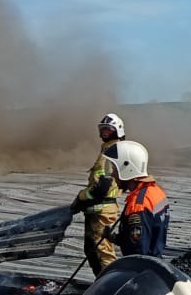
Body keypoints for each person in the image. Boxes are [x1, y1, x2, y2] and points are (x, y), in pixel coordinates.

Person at [71, 113, 125, 277]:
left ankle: (110, 285)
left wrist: (81, 198)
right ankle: (102, 282)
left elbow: (102, 186)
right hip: (97, 209)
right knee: (92, 250)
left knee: (103, 252)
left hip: (102, 211)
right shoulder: (109, 149)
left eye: (108, 130)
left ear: (117, 131)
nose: (104, 133)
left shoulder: (112, 151)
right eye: (102, 130)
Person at [101, 140, 170, 257]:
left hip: (140, 270)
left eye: (115, 170)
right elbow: (146, 235)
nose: (113, 174)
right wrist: (115, 238)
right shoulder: (155, 191)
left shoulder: (138, 206)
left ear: (127, 168)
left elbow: (138, 252)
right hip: (155, 263)